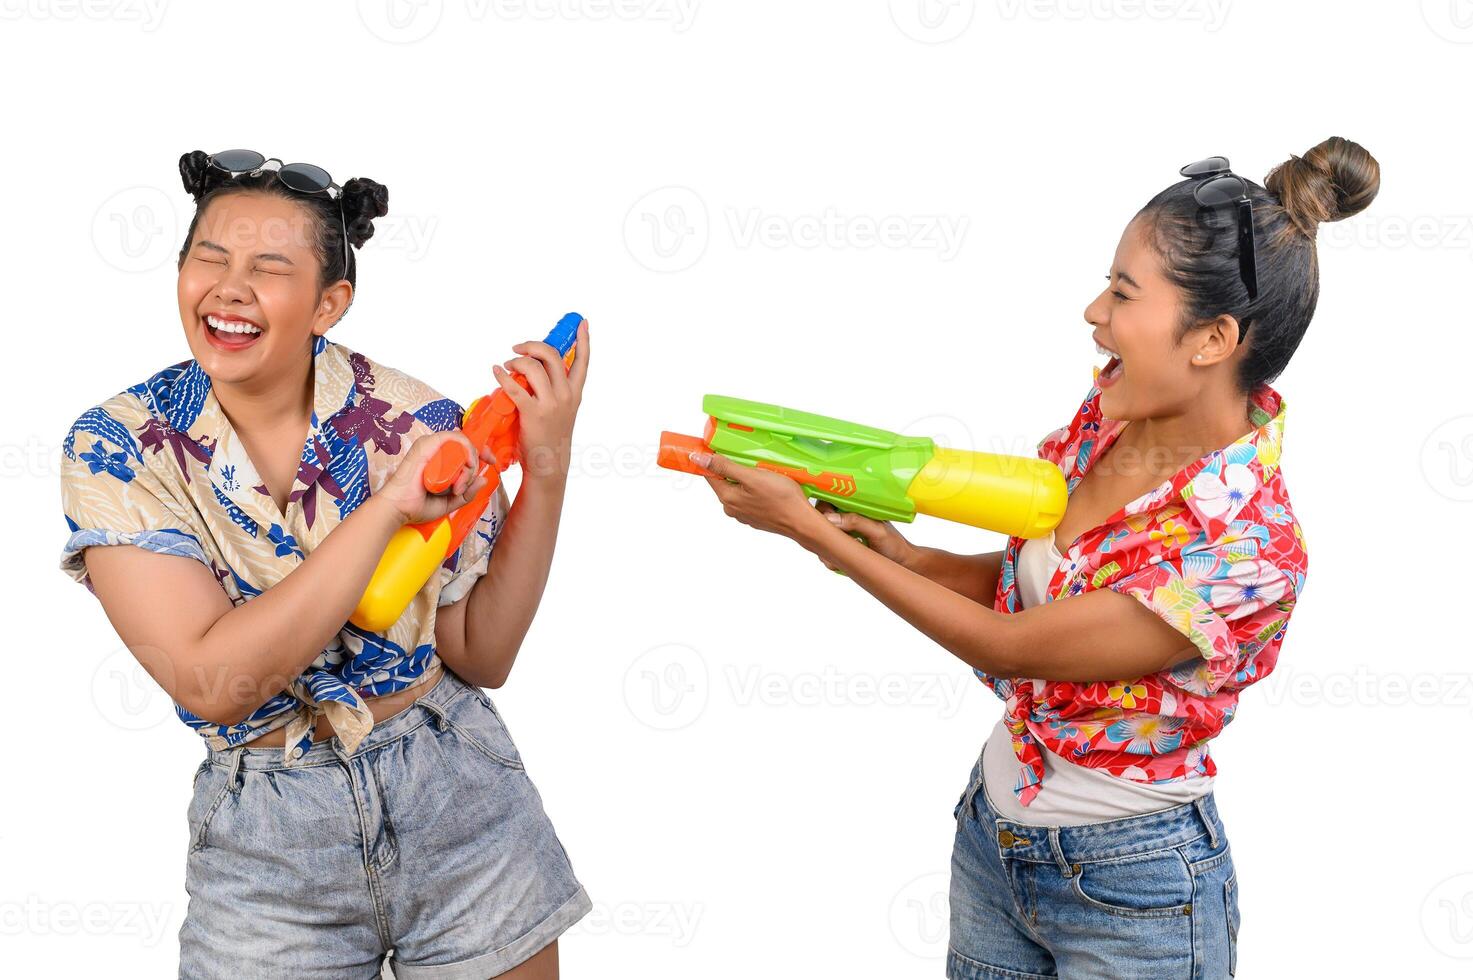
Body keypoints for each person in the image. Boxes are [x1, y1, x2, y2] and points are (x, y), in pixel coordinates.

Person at [687, 137, 1378, 978]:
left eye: (1122, 293)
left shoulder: (1245, 548)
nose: (1094, 312)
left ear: (1211, 339)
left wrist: (814, 534)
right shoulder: (1110, 423)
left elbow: (1009, 649)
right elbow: (1030, 599)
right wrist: (903, 553)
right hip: (994, 841)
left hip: (1135, 891)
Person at [58, 149, 593, 979]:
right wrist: (384, 511)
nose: (229, 287)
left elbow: (481, 652)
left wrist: (546, 462)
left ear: (329, 303)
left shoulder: (416, 420)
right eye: (209, 257)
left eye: (269, 268)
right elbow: (215, 683)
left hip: (460, 800)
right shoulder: (121, 447)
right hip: (269, 844)